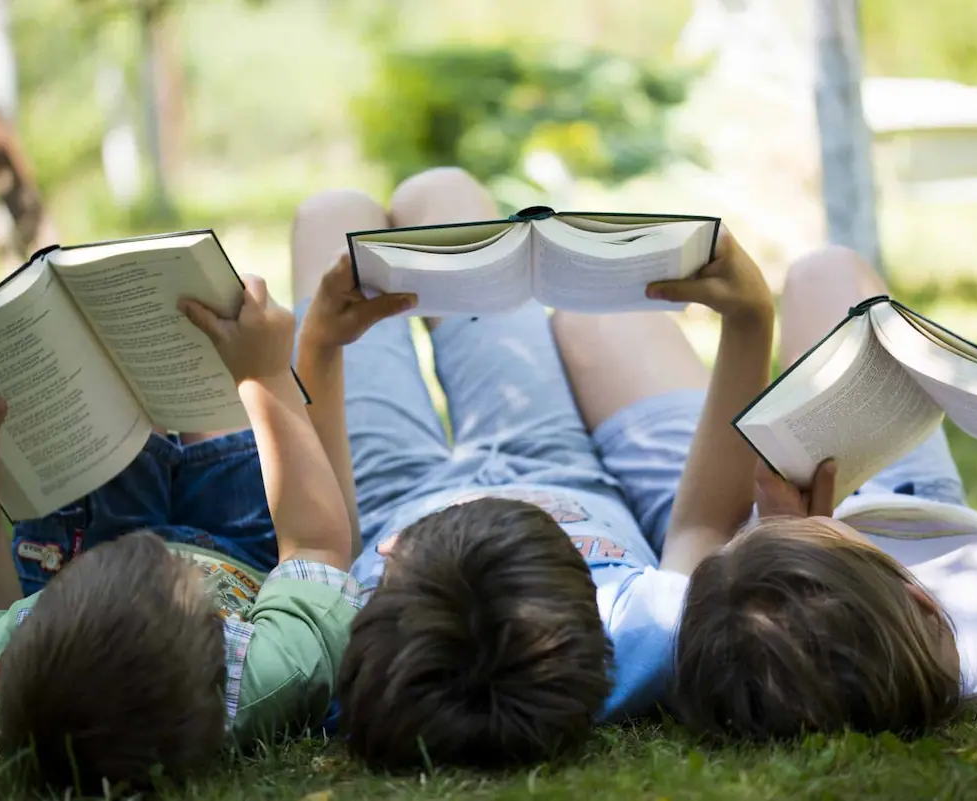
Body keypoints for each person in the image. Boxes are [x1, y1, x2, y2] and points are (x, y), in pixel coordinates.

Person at [289, 167, 775, 769]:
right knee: (445, 195)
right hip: (552, 460)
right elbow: (703, 527)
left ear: (386, 558)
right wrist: (751, 320)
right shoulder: (640, 636)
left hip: (386, 489)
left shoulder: (353, 663)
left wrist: (319, 349)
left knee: (330, 215)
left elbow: (325, 541)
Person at [673, 245, 977, 740]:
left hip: (824, 498)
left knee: (821, 273)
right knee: (830, 272)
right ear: (924, 602)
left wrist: (787, 529)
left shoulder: (789, 649)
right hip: (923, 504)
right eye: (826, 539)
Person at [0, 276, 361, 793]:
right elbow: (316, 545)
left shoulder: (3, 675)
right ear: (224, 653)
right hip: (248, 545)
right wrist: (264, 376)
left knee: (101, 385)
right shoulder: (266, 675)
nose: (161, 550)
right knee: (201, 385)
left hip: (92, 535)